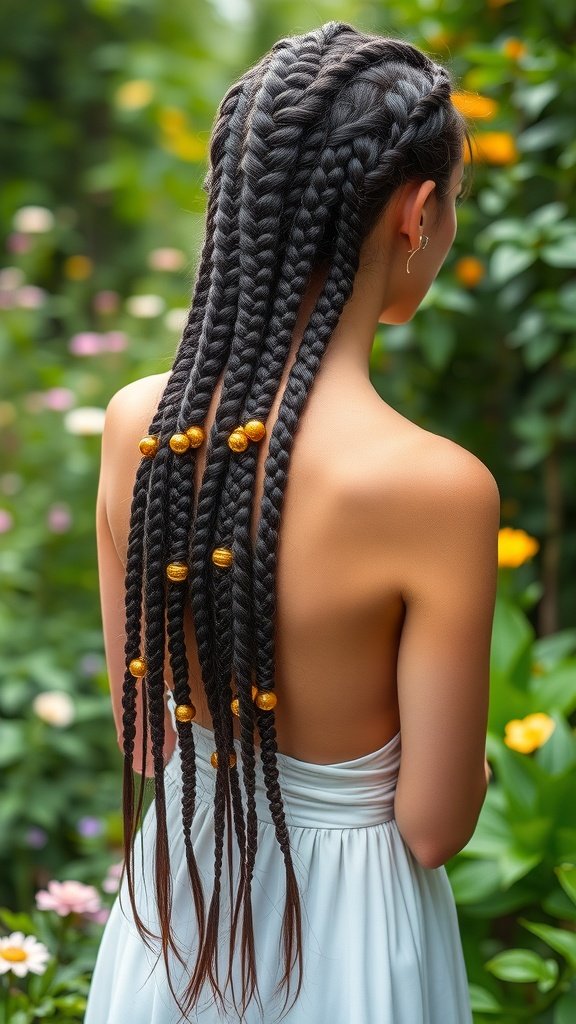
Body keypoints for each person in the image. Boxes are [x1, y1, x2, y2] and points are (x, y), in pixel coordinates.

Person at [84, 19, 499, 1024]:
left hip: (178, 924)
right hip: (352, 944)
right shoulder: (437, 488)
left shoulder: (140, 424)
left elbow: (145, 739)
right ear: (417, 211)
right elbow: (435, 824)